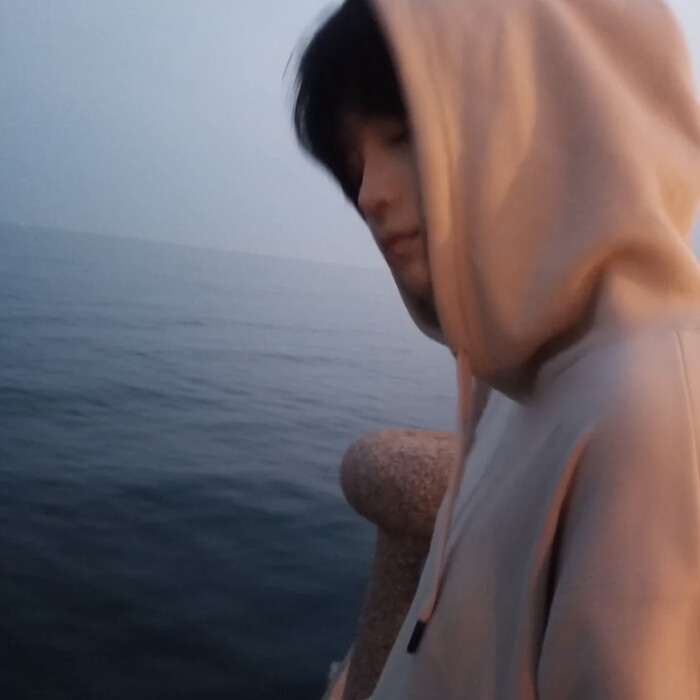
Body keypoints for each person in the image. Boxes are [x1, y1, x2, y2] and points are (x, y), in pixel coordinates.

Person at [293, 0, 700, 697]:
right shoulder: (517, 379)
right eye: (355, 162)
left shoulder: (657, 409)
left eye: (405, 135)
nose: (368, 194)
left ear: (545, 118)